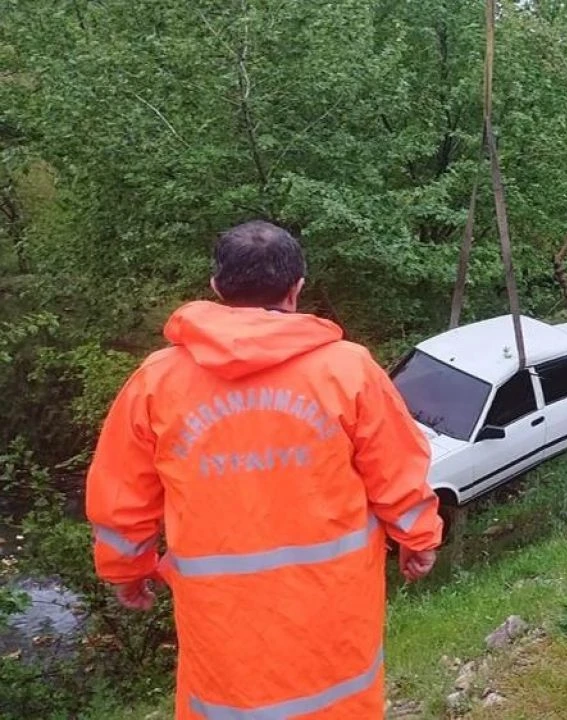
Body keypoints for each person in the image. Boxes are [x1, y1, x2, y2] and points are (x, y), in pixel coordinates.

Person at [86, 221, 442, 719]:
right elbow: (398, 470)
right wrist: (418, 539)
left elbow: (122, 499)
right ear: (297, 288)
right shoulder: (348, 370)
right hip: (331, 612)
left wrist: (127, 571)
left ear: (217, 290)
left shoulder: (157, 382)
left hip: (222, 623)